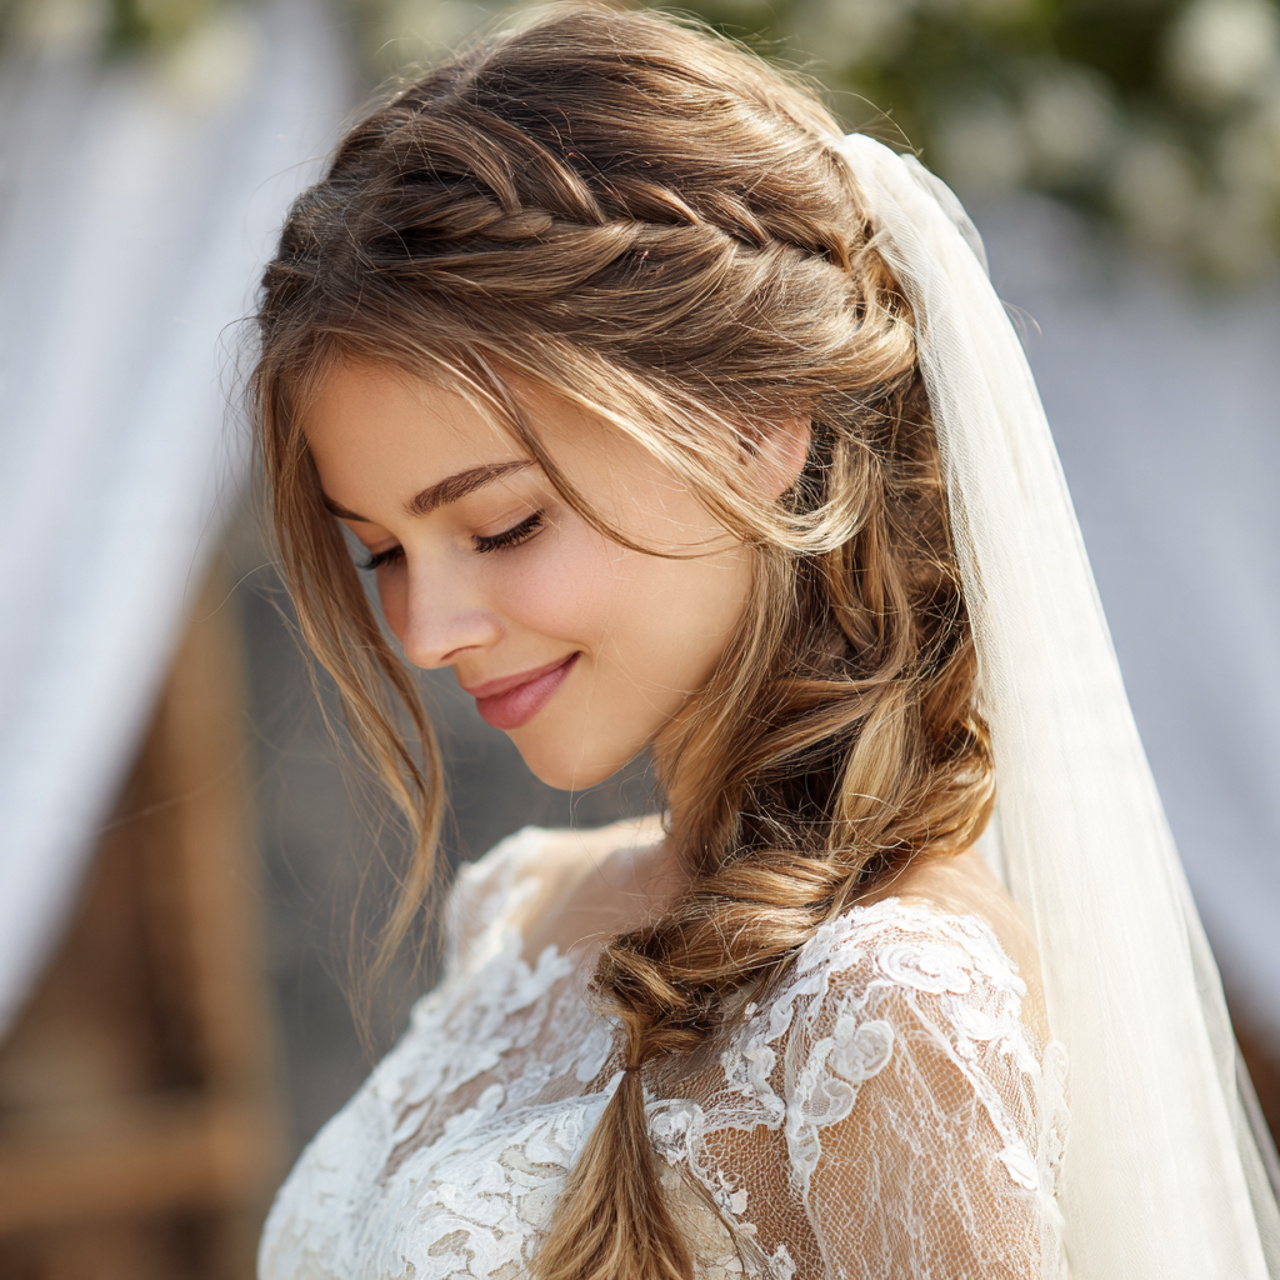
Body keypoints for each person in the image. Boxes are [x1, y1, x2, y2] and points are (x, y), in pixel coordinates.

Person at [250, 6, 1280, 1278]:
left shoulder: (888, 1010)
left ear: (754, 429)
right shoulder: (515, 913)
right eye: (382, 551)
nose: (425, 630)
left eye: (503, 524)